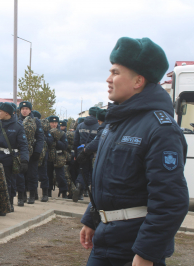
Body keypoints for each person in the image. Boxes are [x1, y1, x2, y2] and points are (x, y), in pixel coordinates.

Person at [79, 37, 189, 266]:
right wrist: (91, 218)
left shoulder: (160, 129)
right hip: (106, 241)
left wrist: (146, 253)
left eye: (116, 72)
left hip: (133, 249)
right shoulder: (115, 123)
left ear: (138, 80)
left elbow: (170, 202)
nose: (108, 79)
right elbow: (110, 181)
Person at [0, 102, 29, 214]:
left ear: (7, 113)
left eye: (0, 111)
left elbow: (23, 145)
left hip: (8, 158)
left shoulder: (17, 127)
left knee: (7, 183)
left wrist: (24, 160)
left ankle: (7, 204)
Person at [16, 101, 44, 205]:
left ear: (30, 110)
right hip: (20, 153)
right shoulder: (17, 121)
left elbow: (40, 138)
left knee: (32, 175)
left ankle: (32, 195)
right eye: (22, 109)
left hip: (32, 153)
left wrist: (37, 151)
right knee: (20, 175)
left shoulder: (35, 121)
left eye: (26, 109)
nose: (24, 111)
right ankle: (21, 195)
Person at [73, 107, 99, 202]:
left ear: (89, 114)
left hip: (81, 152)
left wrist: (76, 154)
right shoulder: (99, 126)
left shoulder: (80, 125)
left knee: (82, 172)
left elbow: (75, 141)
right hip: (94, 154)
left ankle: (79, 188)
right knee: (93, 173)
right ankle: (92, 194)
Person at [33, 110, 53, 202]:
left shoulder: (43, 128)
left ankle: (43, 194)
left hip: (41, 153)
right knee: (39, 175)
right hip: (41, 153)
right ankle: (41, 194)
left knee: (40, 175)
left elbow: (50, 141)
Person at [46, 115, 68, 198]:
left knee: (61, 176)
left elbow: (65, 146)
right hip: (48, 157)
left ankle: (64, 191)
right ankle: (48, 192)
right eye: (52, 122)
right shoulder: (47, 132)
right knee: (48, 176)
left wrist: (56, 141)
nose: (54, 124)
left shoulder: (61, 133)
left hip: (58, 157)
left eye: (55, 122)